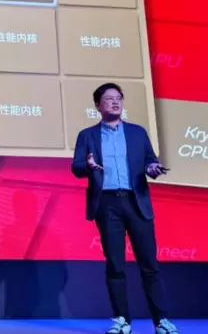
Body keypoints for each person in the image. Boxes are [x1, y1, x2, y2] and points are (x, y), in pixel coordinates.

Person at [71, 83, 179, 334]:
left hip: (136, 201)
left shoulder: (137, 133)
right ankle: (122, 320)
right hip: (107, 204)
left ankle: (161, 321)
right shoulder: (87, 135)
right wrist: (88, 166)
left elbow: (150, 161)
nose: (115, 102)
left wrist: (152, 168)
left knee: (149, 264)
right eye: (109, 99)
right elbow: (76, 167)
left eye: (118, 98)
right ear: (98, 105)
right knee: (115, 265)